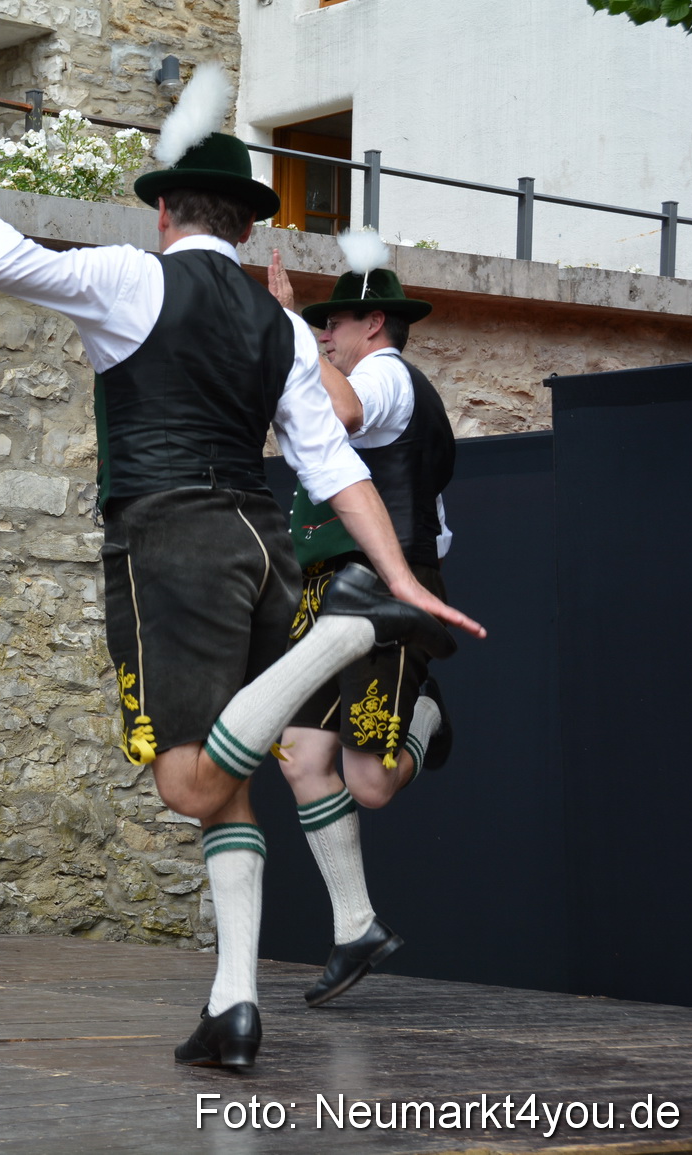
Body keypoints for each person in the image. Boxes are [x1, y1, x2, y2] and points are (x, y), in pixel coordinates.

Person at [0, 69, 483, 1069]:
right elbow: (334, 469)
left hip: (171, 537)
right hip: (265, 544)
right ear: (248, 230)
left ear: (164, 211)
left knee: (182, 780)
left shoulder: (135, 277)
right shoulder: (280, 330)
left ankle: (346, 635)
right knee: (231, 787)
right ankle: (233, 1005)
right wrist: (405, 577)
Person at [265, 248, 455, 1007]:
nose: (327, 335)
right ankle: (357, 925)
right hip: (328, 590)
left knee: (369, 784)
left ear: (375, 323)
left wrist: (290, 332)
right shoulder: (351, 373)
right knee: (301, 756)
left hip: (384, 587)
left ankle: (428, 713)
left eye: (335, 322)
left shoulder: (385, 376)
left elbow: (341, 410)